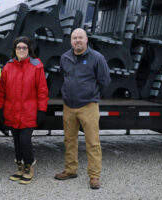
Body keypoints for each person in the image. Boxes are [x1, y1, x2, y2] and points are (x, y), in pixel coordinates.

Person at [54, 28, 111, 189]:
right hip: (69, 106)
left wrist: (93, 95)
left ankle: (94, 176)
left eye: (80, 37)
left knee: (92, 142)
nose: (77, 40)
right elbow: (63, 77)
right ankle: (70, 170)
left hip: (88, 105)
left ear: (86, 40)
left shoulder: (97, 58)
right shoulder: (65, 57)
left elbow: (105, 81)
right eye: (74, 38)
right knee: (69, 140)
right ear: (71, 41)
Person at [0, 36, 49, 184]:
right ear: (15, 50)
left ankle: (29, 166)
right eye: (18, 47)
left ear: (29, 49)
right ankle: (19, 167)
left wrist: (41, 111)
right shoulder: (8, 66)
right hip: (12, 112)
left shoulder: (36, 66)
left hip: (28, 112)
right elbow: (1, 91)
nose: (21, 50)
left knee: (25, 140)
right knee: (17, 141)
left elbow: (42, 91)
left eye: (24, 48)